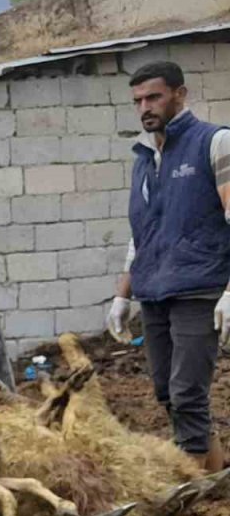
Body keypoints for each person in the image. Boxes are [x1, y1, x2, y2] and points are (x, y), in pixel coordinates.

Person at [106, 61, 230, 472]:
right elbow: (142, 233)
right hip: (154, 291)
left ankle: (189, 489)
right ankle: (216, 478)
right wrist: (122, 296)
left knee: (186, 393)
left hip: (200, 288)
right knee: (165, 392)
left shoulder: (215, 143)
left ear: (180, 94)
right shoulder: (143, 157)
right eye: (138, 100)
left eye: (154, 96)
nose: (145, 106)